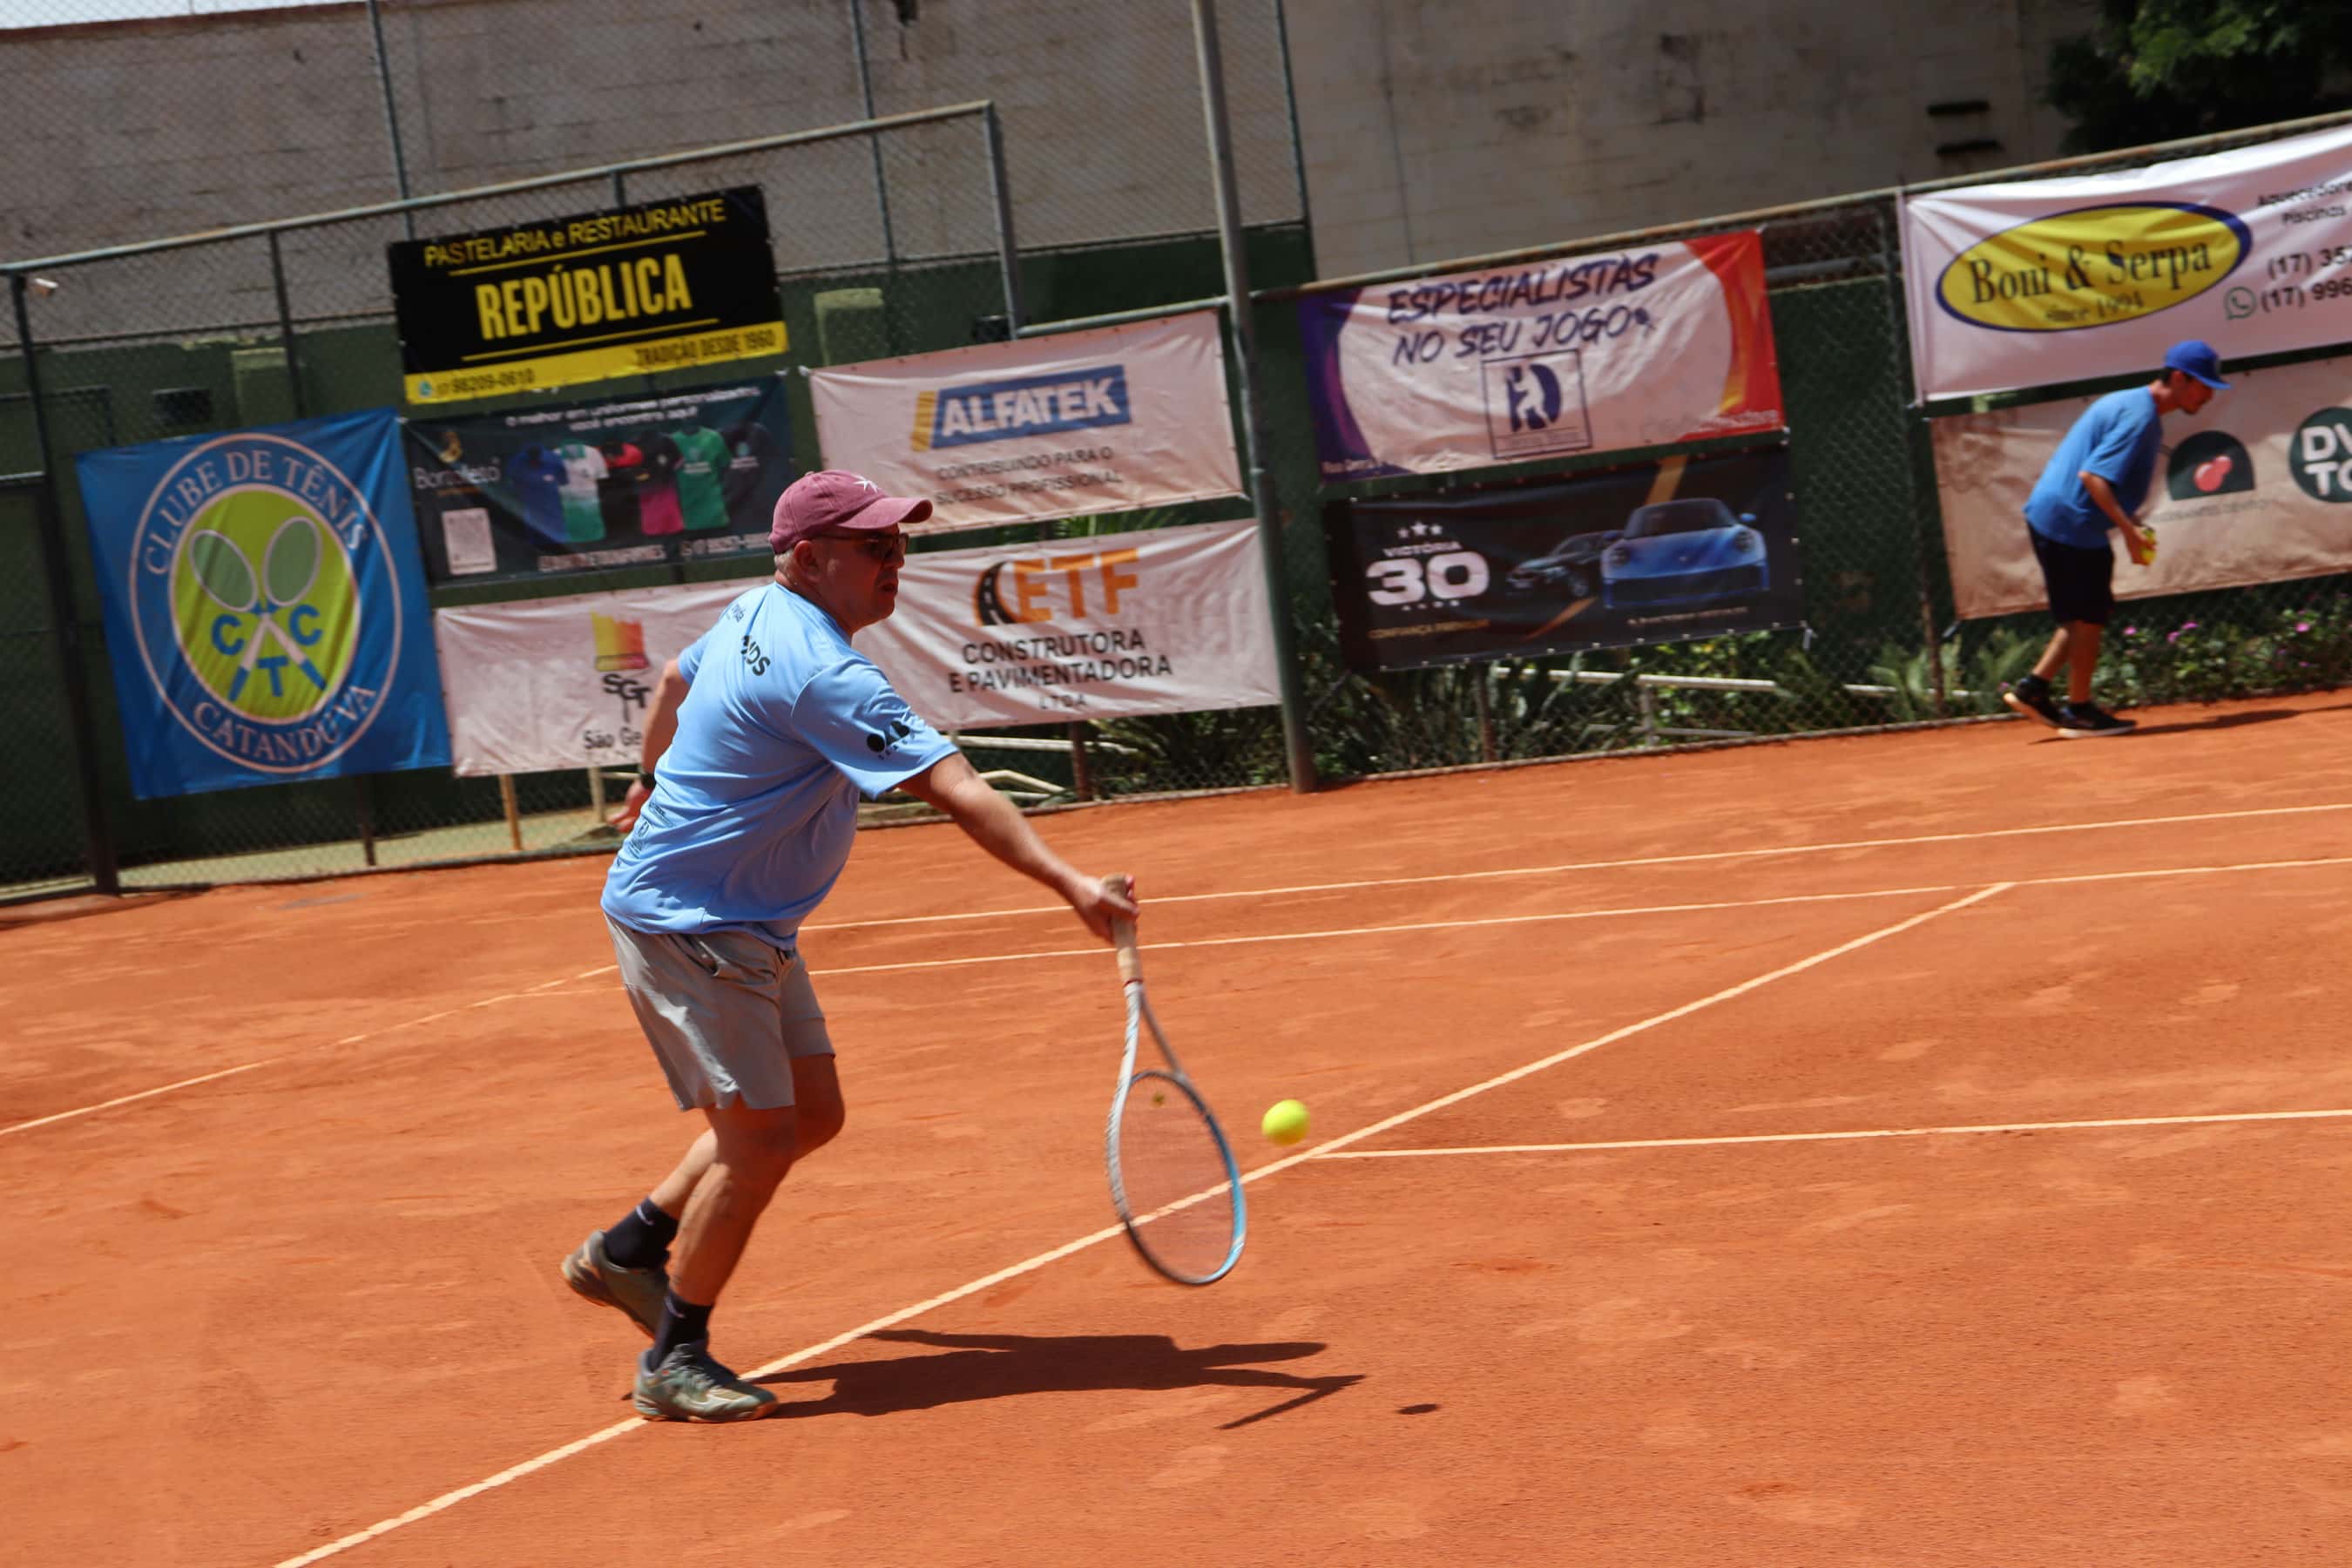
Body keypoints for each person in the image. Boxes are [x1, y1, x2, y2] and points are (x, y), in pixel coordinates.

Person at [568, 469, 1139, 1423]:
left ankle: (628, 1250)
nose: (894, 560)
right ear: (808, 558)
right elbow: (957, 787)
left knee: (812, 1114)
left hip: (744, 920)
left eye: (899, 544)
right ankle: (674, 1355)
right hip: (693, 925)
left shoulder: (755, 611)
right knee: (759, 1142)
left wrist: (648, 779)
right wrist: (1069, 883)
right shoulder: (821, 673)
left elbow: (672, 680)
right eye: (875, 546)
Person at [2004, 339, 2227, 738]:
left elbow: (2103, 480)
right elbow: (2093, 477)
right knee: (2089, 619)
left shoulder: (2132, 405)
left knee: (2081, 616)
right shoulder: (2139, 417)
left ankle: (2033, 689)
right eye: (2204, 385)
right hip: (2072, 521)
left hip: (2060, 517)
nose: (2209, 395)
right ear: (2179, 378)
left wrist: (2130, 523)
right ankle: (2080, 710)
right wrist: (2128, 531)